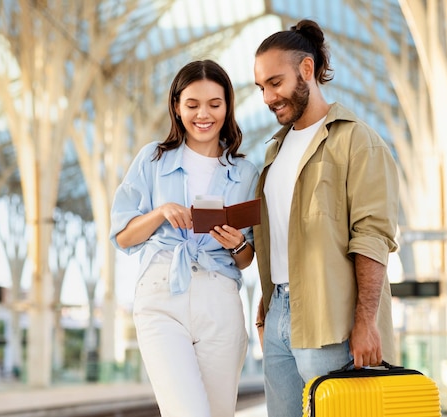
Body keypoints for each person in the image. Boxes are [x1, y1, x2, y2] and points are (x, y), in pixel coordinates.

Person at [252, 19, 400, 417]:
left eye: (275, 82)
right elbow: (278, 236)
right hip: (280, 314)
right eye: (261, 87)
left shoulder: (357, 140)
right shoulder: (274, 153)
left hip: (332, 321)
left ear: (306, 70)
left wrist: (366, 323)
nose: (268, 96)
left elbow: (373, 236)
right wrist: (266, 311)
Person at [110, 59, 259, 417]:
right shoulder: (152, 160)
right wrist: (160, 212)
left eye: (214, 104)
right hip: (162, 295)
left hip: (219, 300)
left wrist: (235, 243)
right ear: (177, 107)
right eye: (192, 105)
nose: (203, 115)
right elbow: (123, 237)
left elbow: (248, 257)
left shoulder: (246, 172)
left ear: (228, 107)